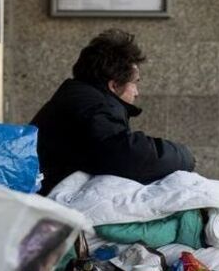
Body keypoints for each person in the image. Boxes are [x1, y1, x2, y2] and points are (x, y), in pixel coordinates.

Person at [31, 29, 195, 195]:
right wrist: (184, 156)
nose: (137, 92)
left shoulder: (80, 98)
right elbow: (126, 155)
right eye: (135, 83)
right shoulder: (95, 107)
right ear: (114, 85)